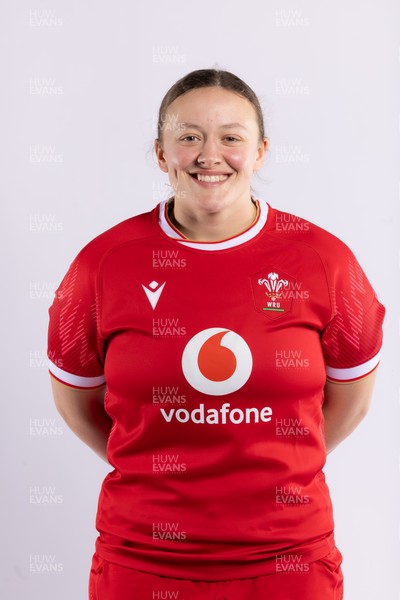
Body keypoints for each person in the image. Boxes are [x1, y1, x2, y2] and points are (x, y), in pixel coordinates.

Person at [47, 68, 385, 600]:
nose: (210, 154)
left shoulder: (325, 262)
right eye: (188, 137)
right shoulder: (102, 264)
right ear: (161, 153)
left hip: (288, 562)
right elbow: (77, 404)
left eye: (231, 137)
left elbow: (349, 403)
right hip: (142, 561)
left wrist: (283, 468)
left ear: (260, 151)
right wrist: (150, 467)